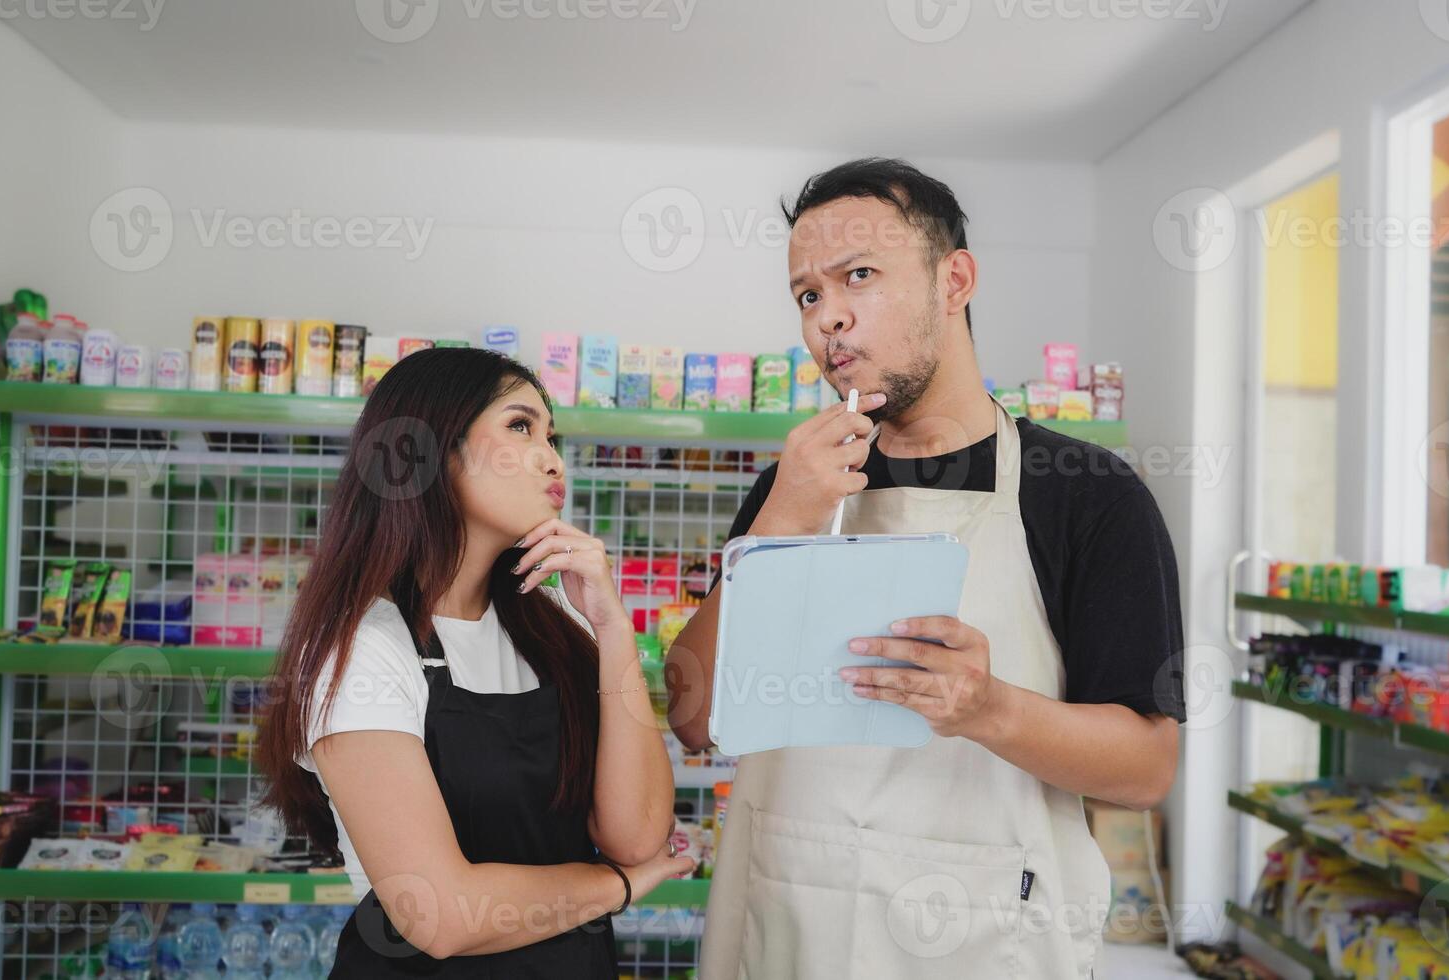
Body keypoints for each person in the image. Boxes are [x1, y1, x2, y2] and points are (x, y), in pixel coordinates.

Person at [667, 158, 1186, 979]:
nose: (827, 319)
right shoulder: (793, 486)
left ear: (956, 280)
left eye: (859, 277)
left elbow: (1147, 769)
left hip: (988, 939)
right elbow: (694, 715)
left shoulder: (1088, 496)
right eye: (807, 294)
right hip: (790, 924)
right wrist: (778, 525)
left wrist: (987, 708)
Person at [257, 348, 693, 977]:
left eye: (552, 435)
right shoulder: (361, 645)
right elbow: (438, 914)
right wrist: (615, 888)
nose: (552, 459)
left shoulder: (561, 626)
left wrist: (614, 628)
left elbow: (637, 835)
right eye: (520, 426)